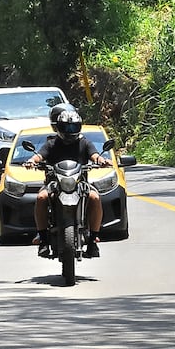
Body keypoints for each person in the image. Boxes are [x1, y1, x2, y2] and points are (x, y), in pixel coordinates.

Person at [23, 104, 111, 258]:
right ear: (59, 128)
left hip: (80, 183)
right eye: (66, 127)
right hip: (54, 183)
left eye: (73, 127)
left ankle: (93, 240)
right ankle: (43, 238)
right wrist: (32, 161)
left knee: (95, 198)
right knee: (41, 198)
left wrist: (102, 160)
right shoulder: (52, 143)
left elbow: (95, 155)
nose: (70, 131)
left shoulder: (84, 143)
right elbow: (40, 155)